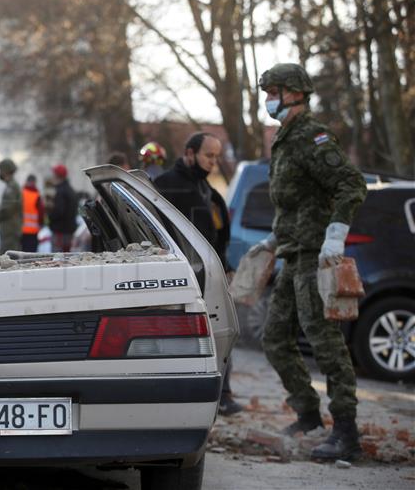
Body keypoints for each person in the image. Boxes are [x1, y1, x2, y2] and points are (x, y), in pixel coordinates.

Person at [251, 63, 367, 460]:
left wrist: (335, 234)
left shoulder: (312, 136)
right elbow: (294, 202)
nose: (268, 98)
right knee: (274, 338)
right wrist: (271, 239)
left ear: (295, 93)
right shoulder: (284, 138)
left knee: (326, 343)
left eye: (274, 91)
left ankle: (347, 433)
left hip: (315, 256)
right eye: (266, 91)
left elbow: (351, 183)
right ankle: (309, 416)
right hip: (291, 251)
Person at [153, 132, 243, 416]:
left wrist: (226, 267)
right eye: (208, 155)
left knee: (219, 333)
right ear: (189, 154)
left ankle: (222, 394)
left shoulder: (209, 191)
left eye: (217, 157)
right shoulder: (166, 185)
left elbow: (218, 237)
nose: (213, 162)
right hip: (177, 278)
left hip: (209, 277)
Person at [48, 164, 77, 253]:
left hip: (59, 232)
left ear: (58, 176)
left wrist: (50, 216)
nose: (52, 176)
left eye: (53, 174)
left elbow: (58, 211)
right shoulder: (71, 190)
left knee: (58, 259)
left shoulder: (60, 191)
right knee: (66, 258)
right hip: (69, 231)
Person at [0, 159, 22, 254]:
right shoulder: (11, 186)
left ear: (5, 171)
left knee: (8, 258)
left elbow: (8, 208)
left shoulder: (11, 187)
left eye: (0, 170)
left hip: (10, 231)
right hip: (9, 230)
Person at [21, 174, 45, 252]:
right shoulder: (37, 195)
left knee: (22, 253)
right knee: (31, 254)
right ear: (35, 182)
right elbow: (41, 212)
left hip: (21, 230)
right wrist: (41, 224)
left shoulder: (21, 193)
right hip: (33, 231)